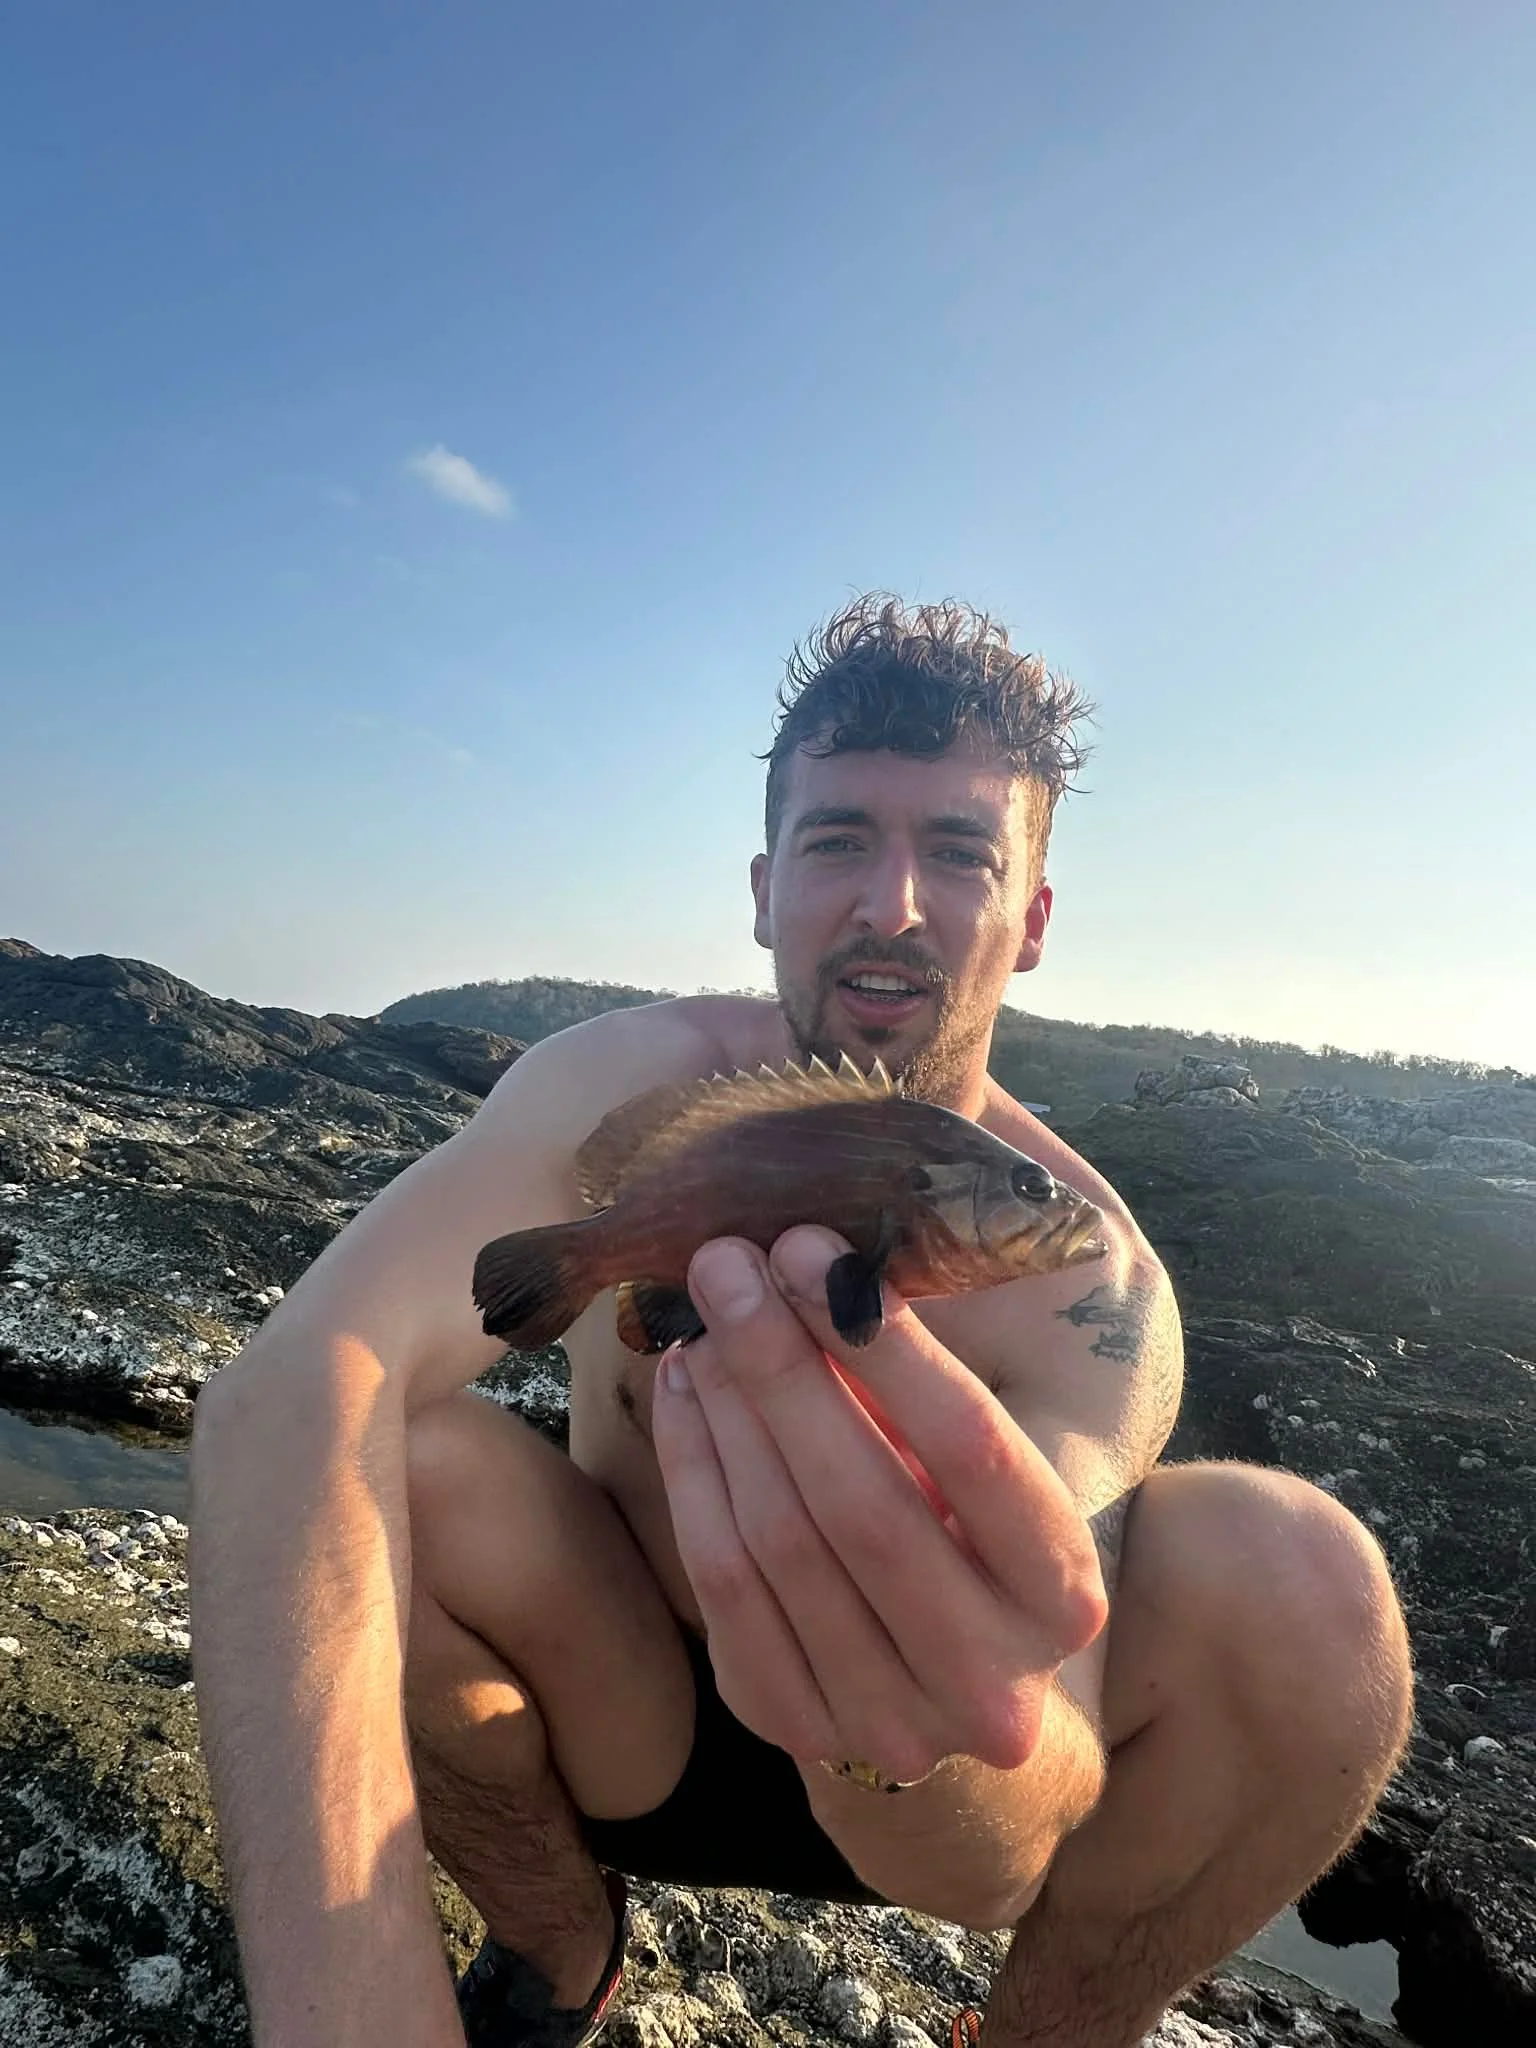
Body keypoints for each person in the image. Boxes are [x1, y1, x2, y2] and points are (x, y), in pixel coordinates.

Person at [190, 595, 1413, 2048]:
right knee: (395, 1464)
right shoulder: (623, 1092)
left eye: (958, 852)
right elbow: (296, 1389)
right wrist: (350, 2011)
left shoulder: (1094, 1287)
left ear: (1027, 921)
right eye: (841, 839)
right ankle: (565, 1951)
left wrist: (899, 1710)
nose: (890, 904)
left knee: (1318, 1595)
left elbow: (1009, 1846)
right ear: (766, 890)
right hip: (628, 1714)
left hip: (927, 1791)